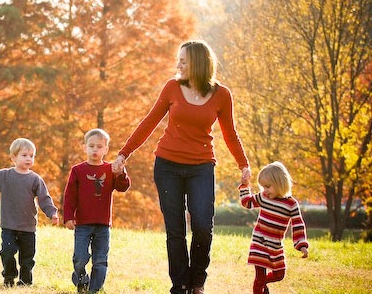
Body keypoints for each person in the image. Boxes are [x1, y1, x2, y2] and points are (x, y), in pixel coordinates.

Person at [112, 40, 252, 294]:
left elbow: (230, 133)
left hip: (201, 167)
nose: (178, 65)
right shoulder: (172, 88)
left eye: (183, 60)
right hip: (167, 166)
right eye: (178, 60)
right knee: (175, 229)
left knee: (202, 226)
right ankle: (180, 285)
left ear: (198, 63)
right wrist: (124, 153)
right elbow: (150, 122)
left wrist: (243, 164)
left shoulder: (222, 95)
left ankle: (197, 282)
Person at [0, 138, 59, 287]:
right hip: (9, 226)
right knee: (7, 252)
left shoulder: (35, 179)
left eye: (31, 155)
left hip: (28, 227)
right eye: (24, 155)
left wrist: (52, 213)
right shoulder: (4, 176)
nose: (28, 158)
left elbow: (44, 198)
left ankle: (25, 281)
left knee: (27, 258)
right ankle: (9, 277)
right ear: (14, 157)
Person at [64, 129, 130, 294]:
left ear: (106, 149)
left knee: (100, 260)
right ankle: (81, 280)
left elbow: (123, 187)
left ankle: (94, 289)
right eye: (91, 146)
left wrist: (121, 173)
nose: (95, 149)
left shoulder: (110, 170)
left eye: (99, 146)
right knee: (80, 259)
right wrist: (68, 217)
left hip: (102, 224)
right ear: (84, 147)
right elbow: (70, 195)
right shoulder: (78, 170)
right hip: (83, 224)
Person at [239, 161, 309, 294]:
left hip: (275, 246)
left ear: (280, 183)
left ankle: (261, 285)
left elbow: (298, 224)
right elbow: (247, 202)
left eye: (268, 186)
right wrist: (244, 185)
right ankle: (260, 287)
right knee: (259, 277)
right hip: (259, 243)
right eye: (263, 187)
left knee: (279, 275)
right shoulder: (264, 197)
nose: (264, 190)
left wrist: (301, 244)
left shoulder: (291, 204)